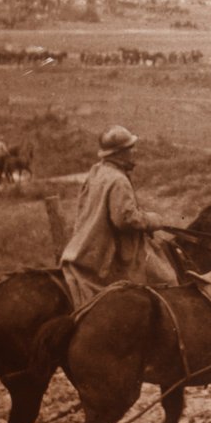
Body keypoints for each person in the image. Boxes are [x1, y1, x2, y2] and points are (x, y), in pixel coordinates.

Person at [60, 125, 177, 306]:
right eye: (130, 149)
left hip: (85, 247)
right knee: (167, 280)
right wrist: (153, 220)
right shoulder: (118, 180)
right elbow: (125, 220)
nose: (134, 152)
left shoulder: (96, 171)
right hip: (110, 252)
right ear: (119, 154)